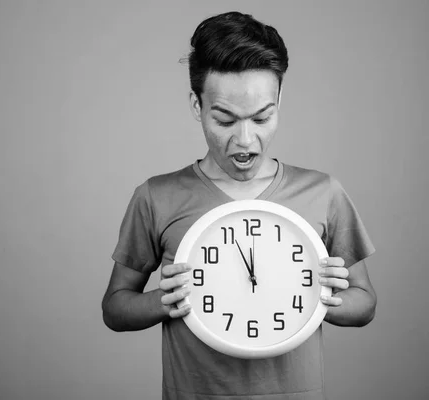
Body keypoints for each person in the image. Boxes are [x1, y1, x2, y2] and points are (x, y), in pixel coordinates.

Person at [101, 11, 377, 400]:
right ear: (197, 106)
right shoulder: (156, 197)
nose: (245, 140)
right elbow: (114, 308)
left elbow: (365, 303)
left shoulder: (323, 193)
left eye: (262, 117)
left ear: (279, 100)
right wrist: (163, 301)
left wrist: (322, 298)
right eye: (225, 120)